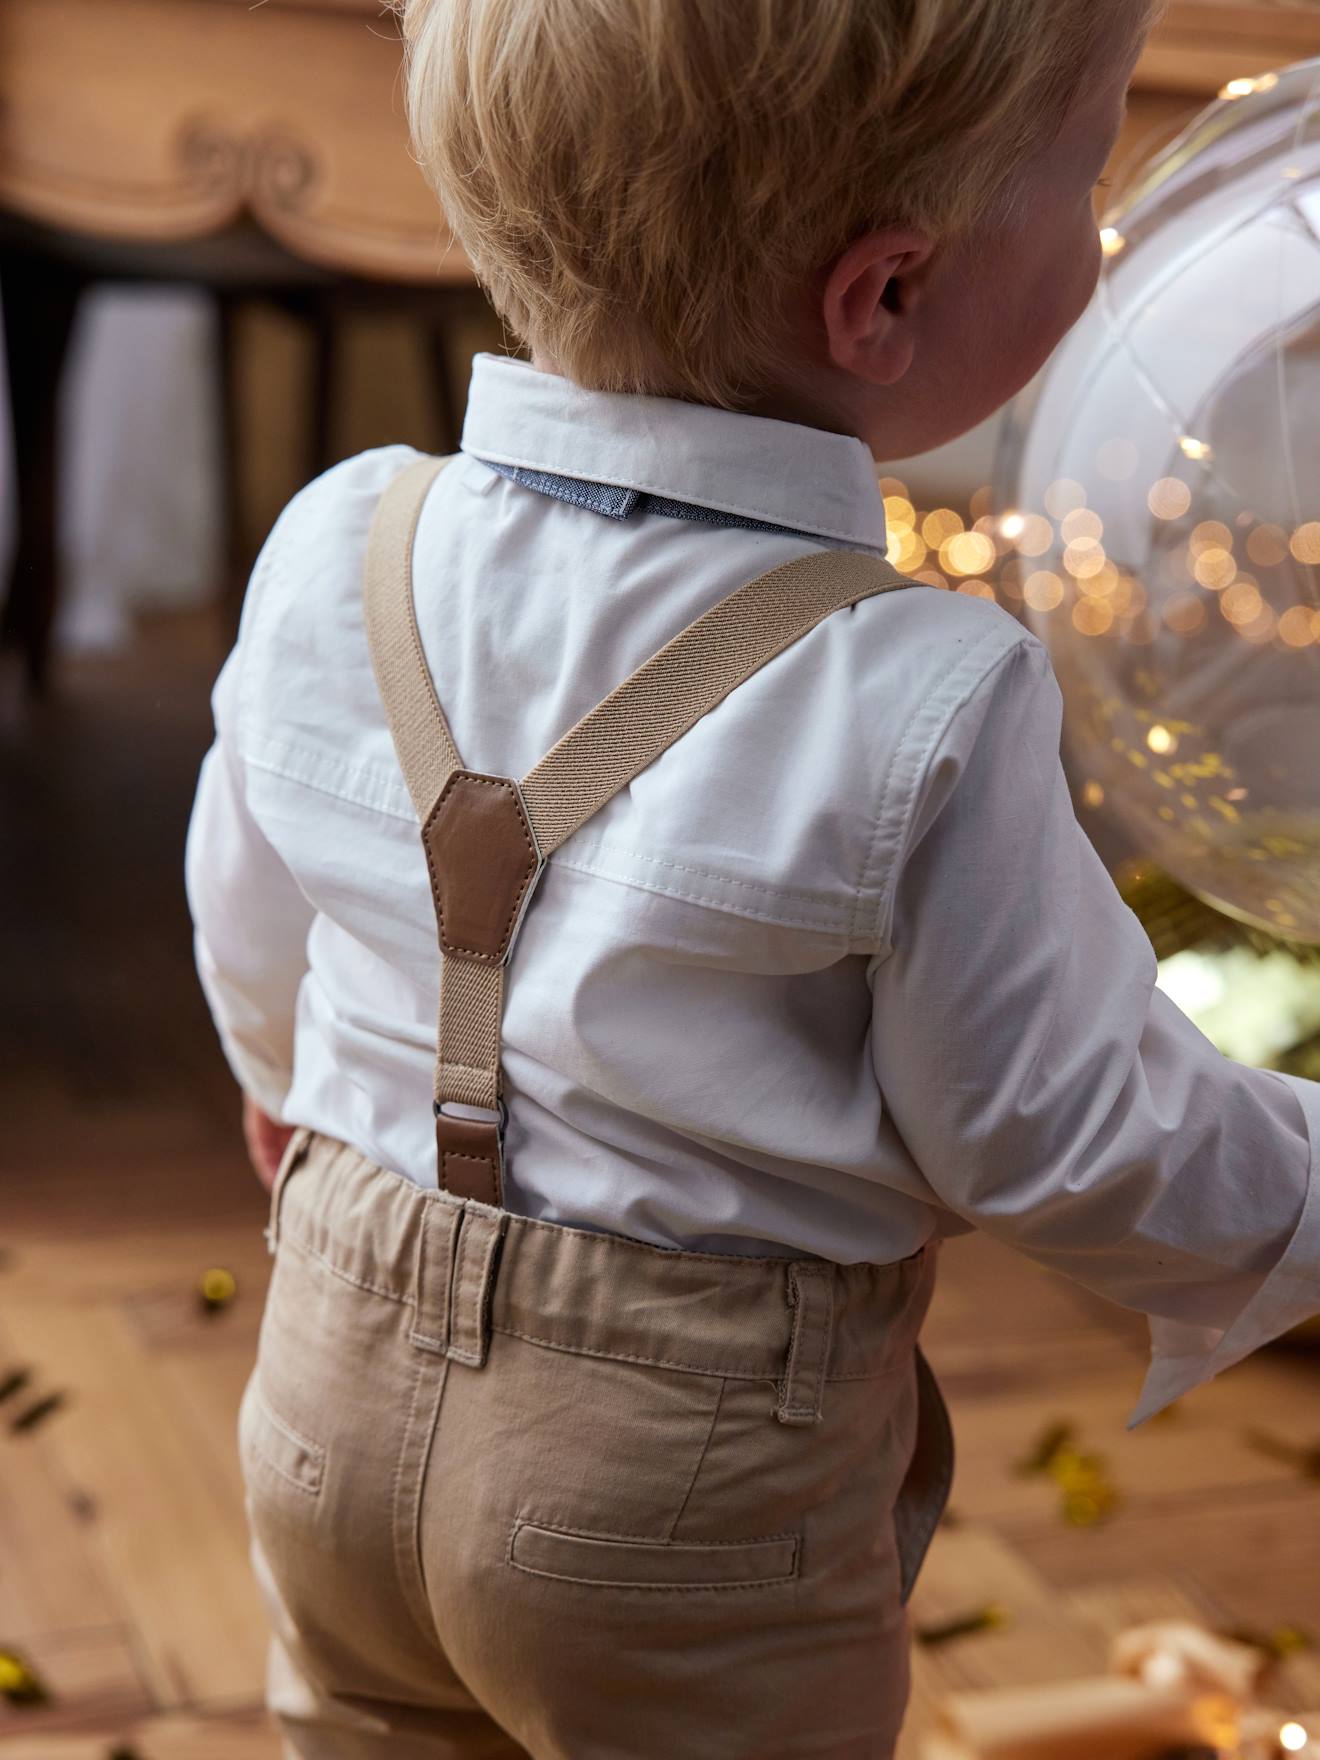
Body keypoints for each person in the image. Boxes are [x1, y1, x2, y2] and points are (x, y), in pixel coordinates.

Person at [184, 2, 1320, 1754]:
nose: (1103, 230)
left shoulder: (342, 532)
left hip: (325, 1384)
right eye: (1085, 176)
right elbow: (1070, 1137)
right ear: (884, 300)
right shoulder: (925, 690)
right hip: (675, 1491)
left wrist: (289, 1089)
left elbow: (248, 904)